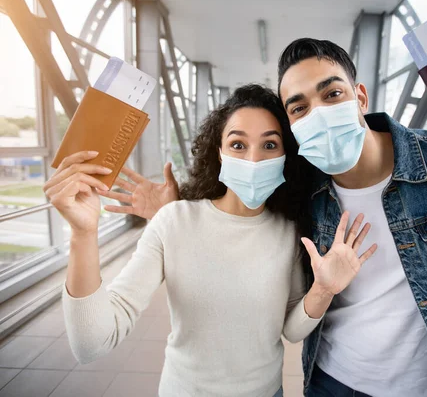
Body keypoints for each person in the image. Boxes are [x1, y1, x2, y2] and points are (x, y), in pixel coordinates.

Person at [104, 39, 427, 397]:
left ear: (360, 97)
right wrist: (173, 212)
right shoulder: (300, 194)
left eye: (331, 94)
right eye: (298, 108)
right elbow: (235, 227)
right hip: (331, 384)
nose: (316, 113)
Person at [44, 84, 377, 397]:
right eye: (238, 144)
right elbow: (91, 343)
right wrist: (83, 234)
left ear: (286, 156)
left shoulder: (287, 232)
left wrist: (322, 291)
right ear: (219, 152)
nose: (253, 159)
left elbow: (291, 330)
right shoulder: (173, 221)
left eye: (270, 145)